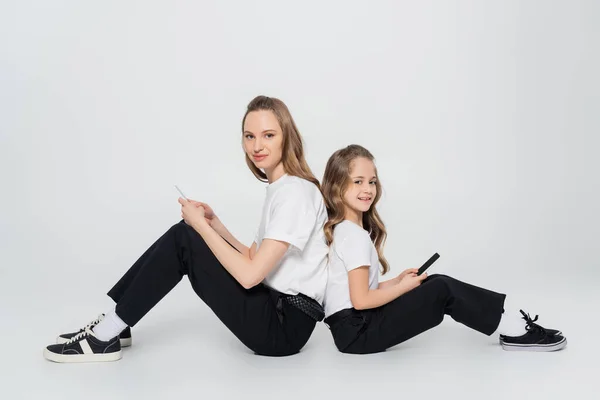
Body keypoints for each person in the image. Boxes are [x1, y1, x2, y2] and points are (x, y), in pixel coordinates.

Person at [43, 95, 329, 363]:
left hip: (283, 328)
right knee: (186, 232)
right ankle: (116, 323)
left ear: (286, 137)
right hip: (276, 310)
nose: (257, 146)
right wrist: (215, 225)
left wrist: (201, 228)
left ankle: (106, 334)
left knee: (185, 236)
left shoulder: (295, 193)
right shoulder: (282, 189)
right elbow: (254, 257)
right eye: (249, 136)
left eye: (268, 135)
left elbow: (250, 276)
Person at [320, 144, 566, 354]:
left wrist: (397, 282)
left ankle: (509, 322)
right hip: (357, 332)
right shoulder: (353, 236)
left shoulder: (346, 231)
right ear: (337, 187)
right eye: (358, 182)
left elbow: (361, 291)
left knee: (434, 281)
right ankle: (514, 329)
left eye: (372, 182)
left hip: (351, 329)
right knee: (442, 288)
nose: (368, 189)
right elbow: (361, 300)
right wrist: (403, 288)